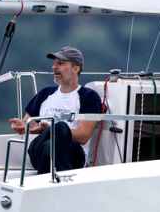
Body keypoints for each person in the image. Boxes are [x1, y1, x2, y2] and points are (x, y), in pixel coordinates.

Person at [10, 46, 101, 174]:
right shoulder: (45, 94)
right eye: (54, 64)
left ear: (76, 68)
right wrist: (23, 126)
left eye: (60, 63)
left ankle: (45, 181)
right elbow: (29, 123)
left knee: (60, 129)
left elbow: (83, 136)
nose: (54, 67)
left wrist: (50, 129)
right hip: (39, 151)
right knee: (49, 142)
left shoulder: (89, 96)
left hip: (73, 154)